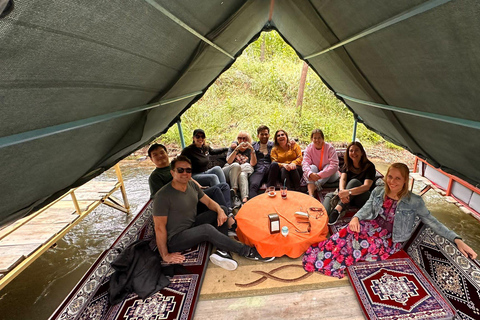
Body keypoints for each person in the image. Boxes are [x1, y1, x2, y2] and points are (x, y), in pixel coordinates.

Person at [303, 162, 477, 279]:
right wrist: (356, 217)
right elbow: (368, 208)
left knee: (360, 244)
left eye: (398, 178)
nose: (392, 182)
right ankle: (322, 256)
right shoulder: (379, 191)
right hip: (373, 226)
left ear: (405, 181)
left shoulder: (414, 201)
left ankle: (332, 261)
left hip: (390, 239)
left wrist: (457, 239)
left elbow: (433, 221)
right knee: (347, 232)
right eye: (390, 177)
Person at [153, 156, 274, 271]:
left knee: (222, 208)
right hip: (175, 238)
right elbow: (159, 228)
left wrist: (221, 211)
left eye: (188, 170)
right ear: (172, 172)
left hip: (191, 224)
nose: (185, 173)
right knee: (207, 230)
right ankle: (247, 251)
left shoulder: (191, 185)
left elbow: (209, 202)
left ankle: (222, 250)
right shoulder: (163, 196)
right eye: (180, 170)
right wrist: (165, 255)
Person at [147, 143, 233, 216]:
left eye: (162, 152)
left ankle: (228, 212)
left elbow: (190, 178)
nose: (160, 156)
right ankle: (227, 216)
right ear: (151, 159)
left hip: (194, 193)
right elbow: (158, 199)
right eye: (155, 155)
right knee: (216, 191)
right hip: (185, 203)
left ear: (167, 153)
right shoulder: (155, 177)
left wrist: (199, 187)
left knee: (224, 186)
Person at [325, 141, 376, 225]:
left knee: (354, 182)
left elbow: (367, 186)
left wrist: (348, 192)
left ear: (362, 152)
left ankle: (338, 209)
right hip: (349, 197)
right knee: (329, 196)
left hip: (363, 197)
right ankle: (324, 216)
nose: (353, 153)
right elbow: (343, 179)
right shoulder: (348, 164)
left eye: (356, 150)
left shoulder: (369, 166)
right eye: (351, 151)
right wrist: (342, 192)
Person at [302, 129, 339, 197]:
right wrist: (310, 174)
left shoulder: (329, 148)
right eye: (315, 138)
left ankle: (313, 188)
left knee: (328, 166)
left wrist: (319, 176)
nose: (317, 140)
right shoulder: (309, 148)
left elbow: (334, 166)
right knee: (312, 167)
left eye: (319, 138)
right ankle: (311, 196)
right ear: (311, 139)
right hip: (316, 174)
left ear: (323, 138)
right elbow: (305, 163)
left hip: (330, 176)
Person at [223, 131, 256, 206]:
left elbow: (253, 164)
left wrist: (252, 151)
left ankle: (244, 200)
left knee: (243, 174)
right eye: (239, 138)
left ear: (248, 140)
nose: (242, 140)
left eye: (244, 138)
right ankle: (234, 192)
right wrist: (236, 149)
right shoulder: (233, 147)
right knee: (236, 165)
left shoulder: (250, 149)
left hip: (242, 171)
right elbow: (229, 161)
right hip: (229, 171)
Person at [249, 125, 276, 198]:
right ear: (258, 135)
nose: (264, 136)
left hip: (271, 171)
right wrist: (234, 142)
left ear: (269, 135)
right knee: (253, 185)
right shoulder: (254, 145)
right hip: (258, 170)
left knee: (274, 165)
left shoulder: (274, 145)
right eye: (262, 134)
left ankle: (270, 190)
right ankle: (253, 206)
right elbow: (242, 142)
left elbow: (285, 143)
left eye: (266, 134)